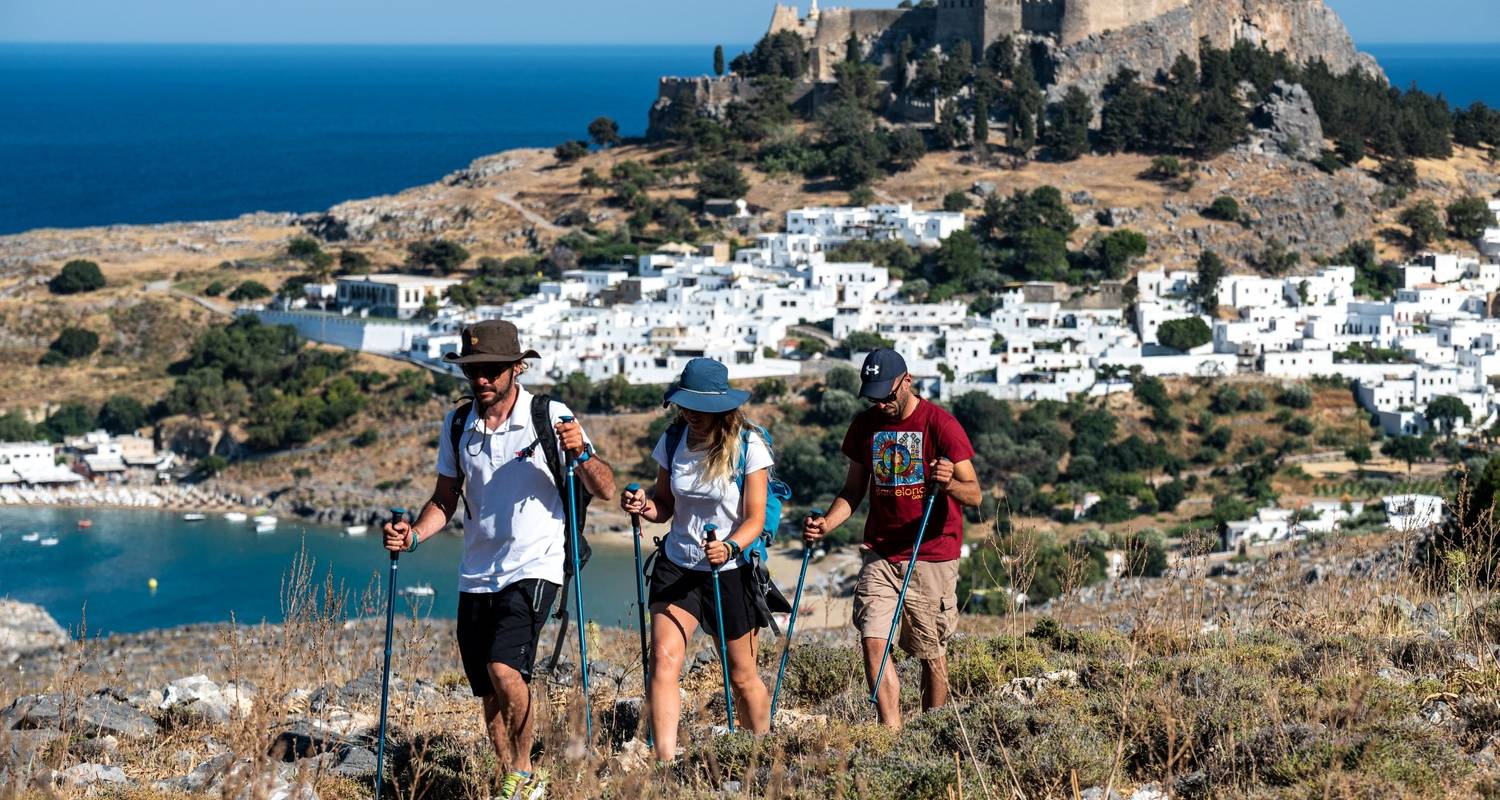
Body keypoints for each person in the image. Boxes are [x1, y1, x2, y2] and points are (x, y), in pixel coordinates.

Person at [383, 320, 615, 800]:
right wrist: (413, 537)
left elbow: (605, 487)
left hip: (536, 563)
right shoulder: (458, 424)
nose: (482, 379)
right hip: (477, 571)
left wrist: (583, 452)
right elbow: (445, 498)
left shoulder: (548, 415)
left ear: (516, 368)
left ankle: (527, 771)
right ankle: (510, 775)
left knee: (504, 669)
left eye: (491, 369)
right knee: (487, 688)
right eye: (473, 370)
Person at [802, 349, 981, 729]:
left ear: (907, 381)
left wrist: (948, 483)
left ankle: (932, 732)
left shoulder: (941, 425)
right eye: (874, 396)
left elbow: (975, 494)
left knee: (930, 653)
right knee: (873, 643)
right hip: (881, 553)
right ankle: (892, 732)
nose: (881, 403)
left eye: (887, 394)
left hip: (931, 554)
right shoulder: (866, 426)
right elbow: (852, 491)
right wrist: (827, 524)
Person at [619, 358, 773, 761]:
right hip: (678, 563)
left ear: (722, 407)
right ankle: (664, 761)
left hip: (731, 571)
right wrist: (642, 506)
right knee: (663, 659)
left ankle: (762, 753)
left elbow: (755, 517)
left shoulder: (749, 446)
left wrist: (730, 547)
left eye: (699, 408)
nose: (690, 414)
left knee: (741, 676)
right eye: (685, 405)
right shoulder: (673, 440)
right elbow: (665, 505)